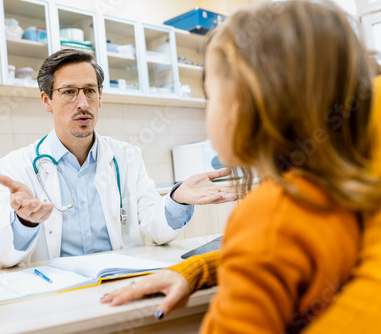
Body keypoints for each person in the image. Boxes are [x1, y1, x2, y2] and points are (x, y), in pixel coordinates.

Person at [101, 1, 381, 333]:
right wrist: (199, 269)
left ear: (249, 101)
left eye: (210, 96)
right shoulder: (342, 190)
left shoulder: (268, 212)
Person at [0, 49, 241, 268]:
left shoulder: (127, 156)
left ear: (100, 96)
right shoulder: (18, 165)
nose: (83, 103)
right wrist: (23, 221)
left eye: (90, 90)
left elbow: (154, 228)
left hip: (119, 282)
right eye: (69, 92)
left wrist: (177, 200)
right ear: (46, 100)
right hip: (58, 293)